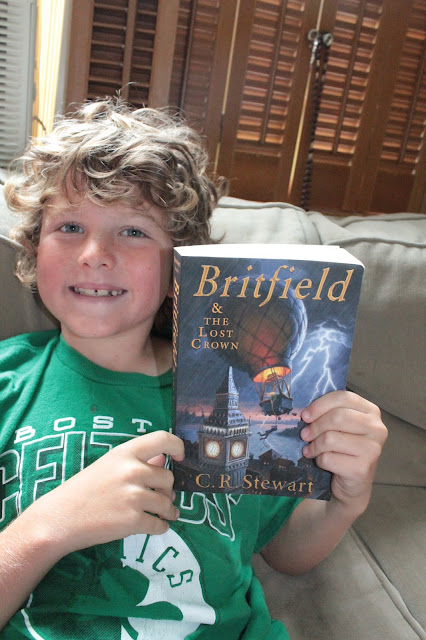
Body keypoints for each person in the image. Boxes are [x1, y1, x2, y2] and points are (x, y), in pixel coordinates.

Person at [0, 99, 387, 640]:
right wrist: (50, 526)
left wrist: (345, 500)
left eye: (133, 231)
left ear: (181, 264)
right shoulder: (9, 380)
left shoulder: (233, 391)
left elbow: (284, 552)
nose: (94, 253)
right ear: (33, 247)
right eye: (69, 226)